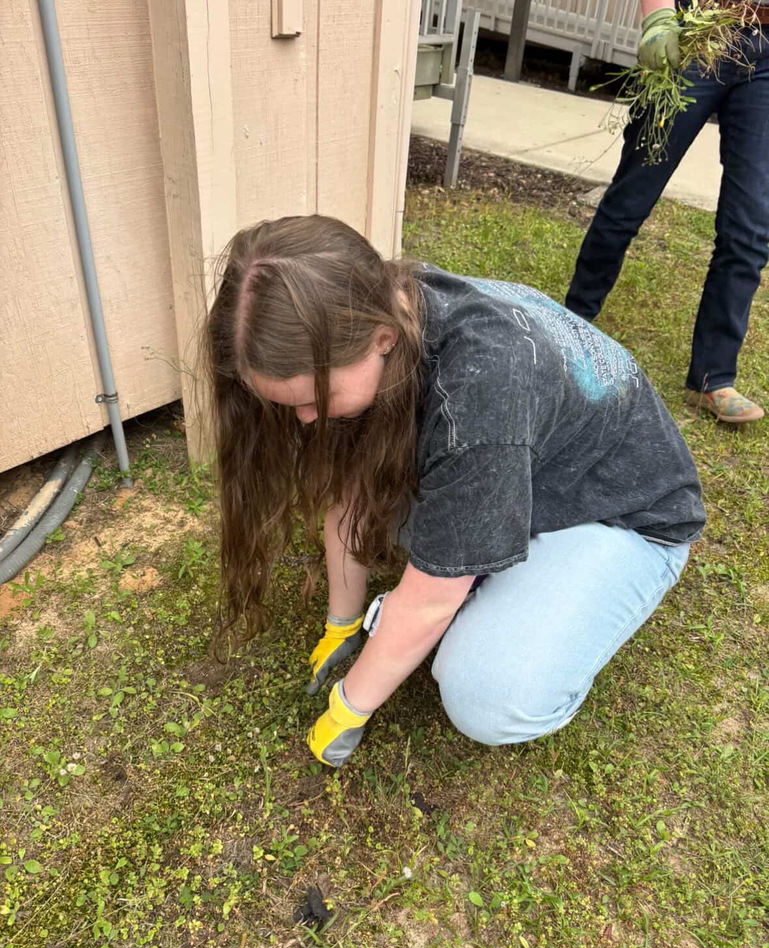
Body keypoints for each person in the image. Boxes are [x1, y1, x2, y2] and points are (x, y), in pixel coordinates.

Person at [204, 215, 705, 768]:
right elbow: (346, 492)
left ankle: (549, 624)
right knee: (426, 528)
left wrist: (348, 707)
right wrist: (342, 624)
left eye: (312, 400)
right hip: (527, 468)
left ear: (383, 339)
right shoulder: (381, 305)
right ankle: (495, 567)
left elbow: (429, 601)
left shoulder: (481, 393)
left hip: (616, 514)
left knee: (487, 696)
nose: (302, 420)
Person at [565, 0, 769, 424]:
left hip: (766, 55)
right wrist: (659, 17)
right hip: (699, 34)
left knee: (749, 226)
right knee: (630, 199)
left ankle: (713, 379)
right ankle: (570, 328)